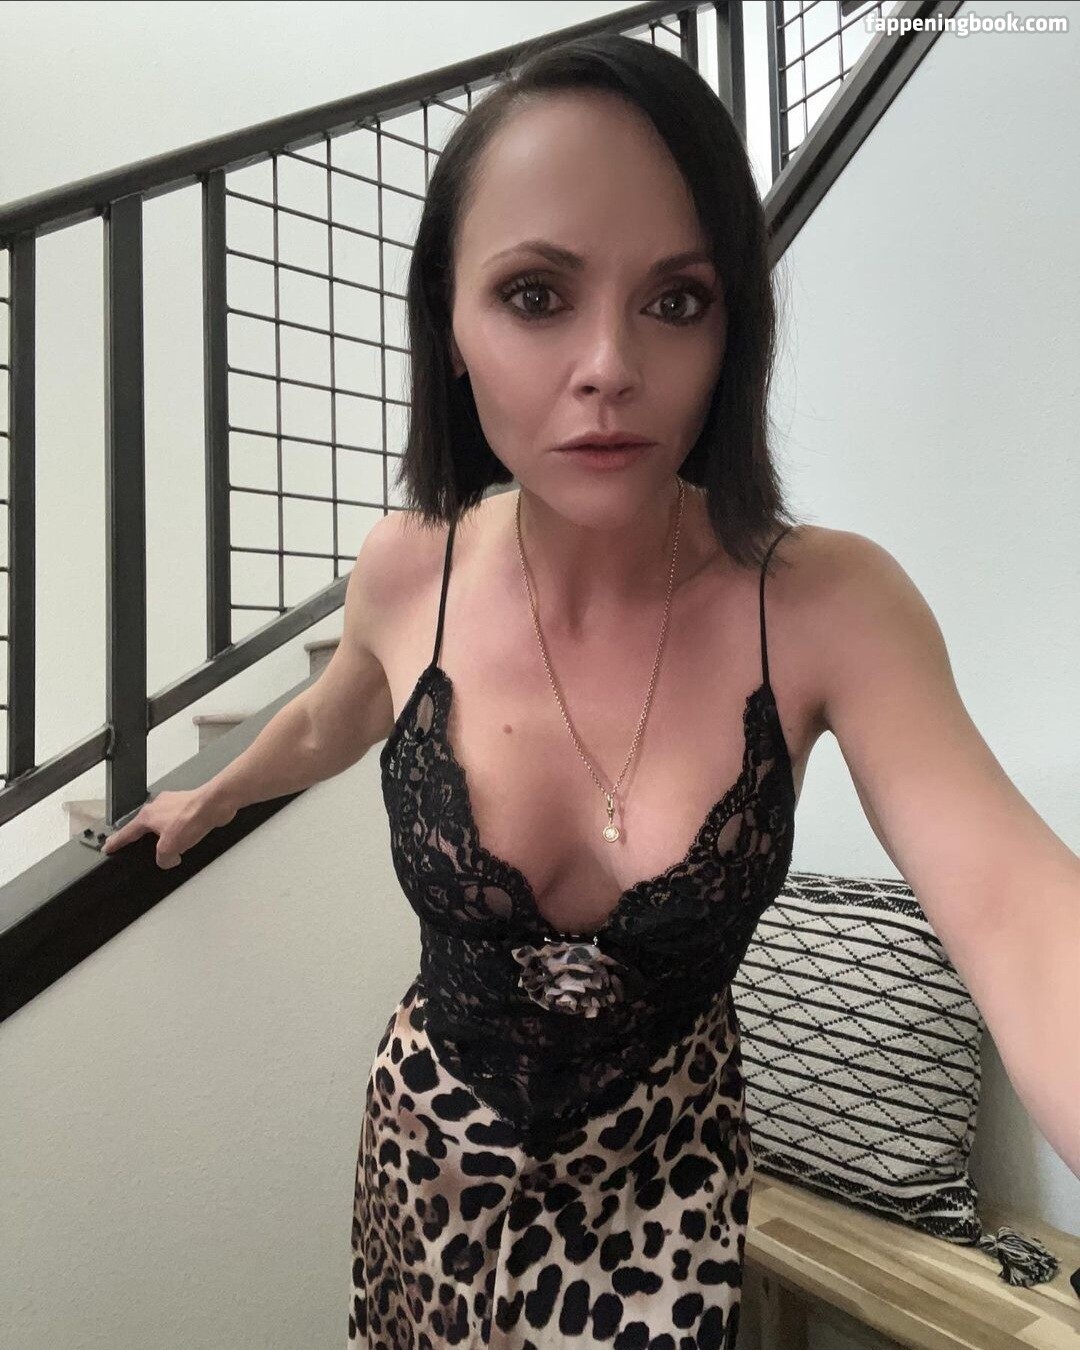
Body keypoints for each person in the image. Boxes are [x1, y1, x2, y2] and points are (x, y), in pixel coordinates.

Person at [100, 28, 1080, 1350]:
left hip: (663, 1186)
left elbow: (1020, 915)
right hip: (425, 1162)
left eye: (676, 300)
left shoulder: (828, 605)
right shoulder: (408, 569)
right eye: (535, 294)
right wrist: (215, 795)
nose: (611, 363)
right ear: (449, 326)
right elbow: (340, 711)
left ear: (733, 329)